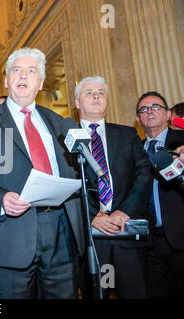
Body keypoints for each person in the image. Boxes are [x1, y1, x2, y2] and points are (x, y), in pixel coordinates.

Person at [0, 47, 85, 299]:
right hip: (11, 233)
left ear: (40, 83)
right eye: (16, 70)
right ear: (6, 80)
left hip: (62, 233)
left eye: (31, 71)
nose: (23, 76)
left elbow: (80, 174)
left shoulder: (62, 123)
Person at [75, 76, 152, 298]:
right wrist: (91, 216)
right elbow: (66, 184)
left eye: (101, 92)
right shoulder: (64, 138)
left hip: (125, 234)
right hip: (90, 241)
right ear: (78, 103)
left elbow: (144, 174)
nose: (96, 95)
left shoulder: (127, 134)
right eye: (89, 93)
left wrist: (124, 211)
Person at [135, 91, 184, 298]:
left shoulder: (182, 142)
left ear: (168, 114)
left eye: (156, 107)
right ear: (138, 119)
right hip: (148, 243)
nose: (150, 112)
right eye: (144, 109)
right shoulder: (134, 149)